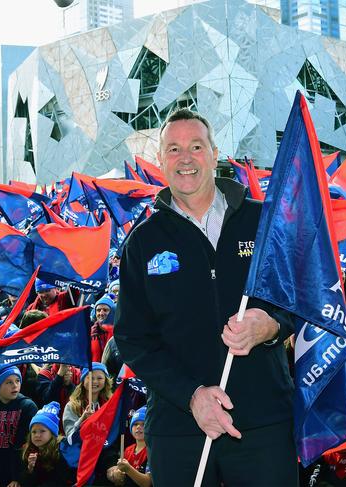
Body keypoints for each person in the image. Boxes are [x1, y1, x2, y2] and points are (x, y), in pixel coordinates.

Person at [115, 108, 296, 486]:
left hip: (263, 423)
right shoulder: (142, 242)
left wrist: (271, 327)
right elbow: (132, 338)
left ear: (215, 154)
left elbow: (297, 300)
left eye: (196, 146)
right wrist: (191, 395)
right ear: (161, 161)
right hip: (179, 428)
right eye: (174, 148)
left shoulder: (263, 222)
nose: (185, 158)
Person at [20, 401, 71, 486]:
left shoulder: (60, 452)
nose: (37, 435)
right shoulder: (28, 451)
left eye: (42, 431)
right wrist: (30, 468)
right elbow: (25, 483)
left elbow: (60, 480)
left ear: (52, 433)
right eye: (34, 432)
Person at [107, 406, 152, 487]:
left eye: (143, 424)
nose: (138, 427)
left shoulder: (152, 451)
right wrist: (115, 474)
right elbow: (120, 480)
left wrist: (128, 469)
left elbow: (147, 483)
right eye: (135, 424)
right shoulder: (128, 450)